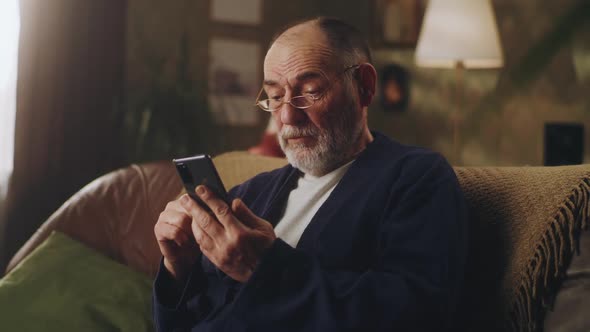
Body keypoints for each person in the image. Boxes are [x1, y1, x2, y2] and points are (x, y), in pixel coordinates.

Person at [153, 17, 468, 332]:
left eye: (311, 91)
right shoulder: (248, 194)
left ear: (365, 87)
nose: (287, 116)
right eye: (275, 97)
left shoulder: (415, 178)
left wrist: (265, 269)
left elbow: (414, 314)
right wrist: (178, 270)